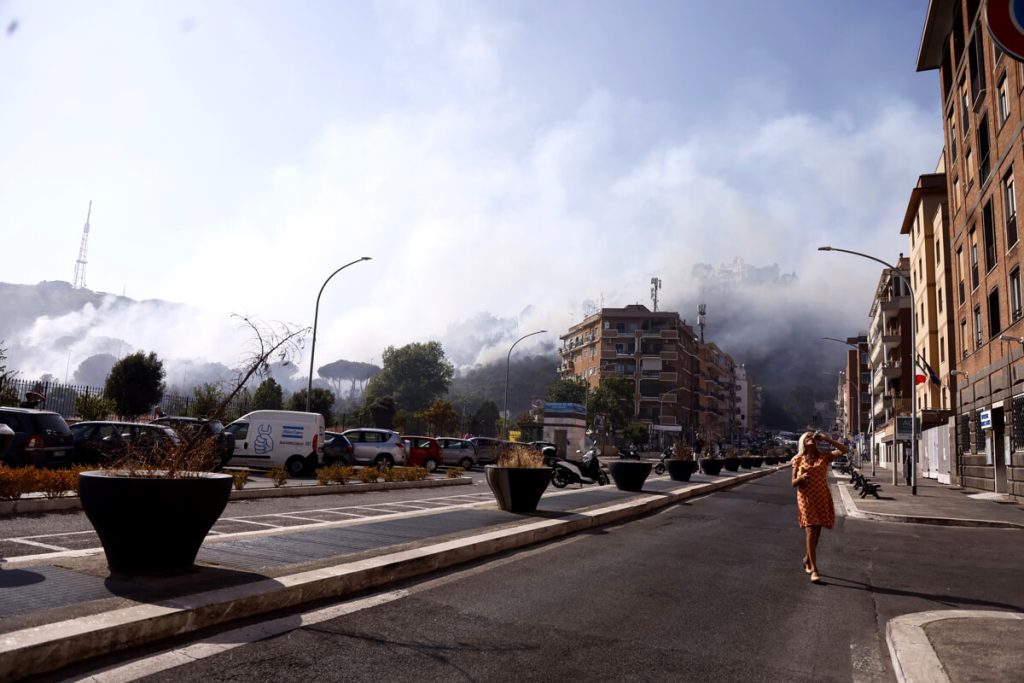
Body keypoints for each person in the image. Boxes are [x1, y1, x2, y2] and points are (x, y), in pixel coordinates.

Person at [791, 430, 847, 584]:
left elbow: (844, 450)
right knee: (810, 530)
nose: (810, 438)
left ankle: (808, 559)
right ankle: (814, 569)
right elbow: (793, 483)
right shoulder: (798, 459)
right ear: (802, 441)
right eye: (807, 437)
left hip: (821, 497)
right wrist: (800, 478)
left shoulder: (824, 457)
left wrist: (827, 439)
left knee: (817, 533)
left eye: (812, 437)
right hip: (806, 498)